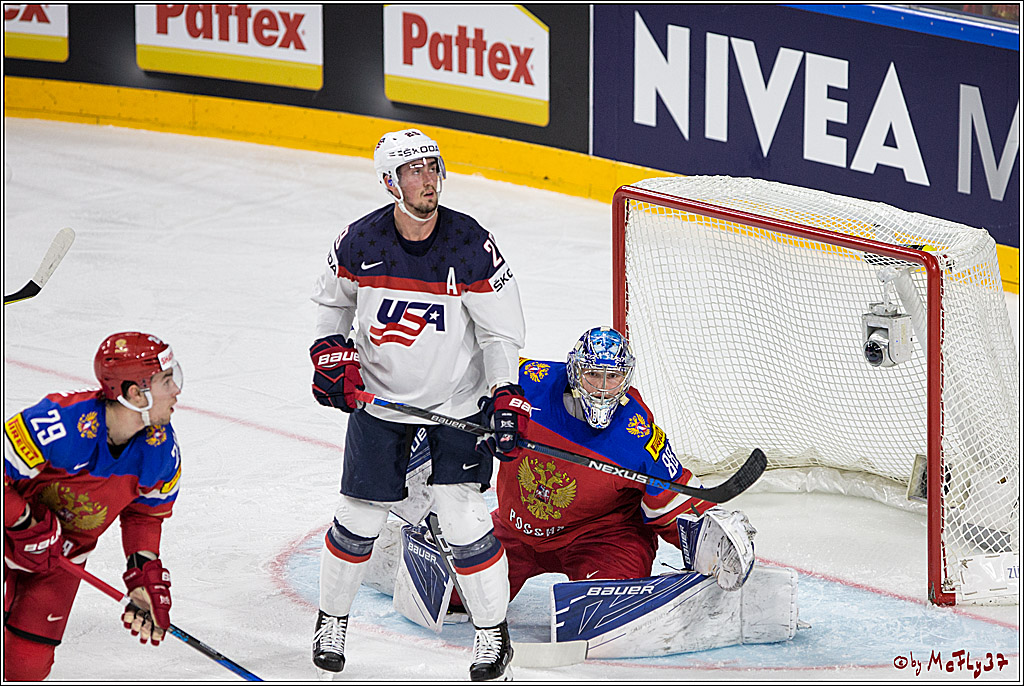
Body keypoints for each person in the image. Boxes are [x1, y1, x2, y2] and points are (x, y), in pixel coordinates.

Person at [309, 128, 527, 681]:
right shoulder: (359, 241)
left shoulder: (470, 244)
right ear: (390, 181)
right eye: (414, 170)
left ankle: (491, 635)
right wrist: (331, 360)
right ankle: (331, 620)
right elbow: (330, 308)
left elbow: (500, 334)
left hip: (457, 400)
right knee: (356, 517)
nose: (429, 178)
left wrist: (503, 394)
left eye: (433, 167)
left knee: (462, 516)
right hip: (380, 400)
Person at [365, 327, 758, 625]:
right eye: (594, 376)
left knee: (606, 611)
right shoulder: (528, 386)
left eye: (613, 378)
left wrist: (711, 531)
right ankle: (388, 555)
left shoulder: (636, 433)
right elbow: (464, 395)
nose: (604, 389)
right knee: (453, 597)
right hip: (517, 530)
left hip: (601, 538)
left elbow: (671, 501)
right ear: (574, 372)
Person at [4, 332, 183, 681]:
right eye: (165, 380)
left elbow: (144, 515)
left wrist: (141, 575)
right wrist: (23, 523)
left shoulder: (162, 450)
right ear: (135, 393)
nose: (176, 390)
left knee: (27, 666)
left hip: (61, 557)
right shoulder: (58, 423)